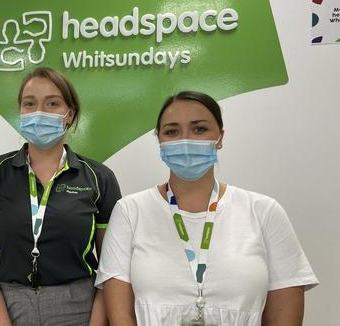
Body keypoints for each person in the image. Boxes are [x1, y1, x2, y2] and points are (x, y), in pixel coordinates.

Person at [96, 91, 318, 326]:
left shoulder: (264, 212)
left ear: (220, 137)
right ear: (159, 140)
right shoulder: (130, 211)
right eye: (172, 131)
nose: (185, 140)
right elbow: (120, 316)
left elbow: (285, 317)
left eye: (199, 129)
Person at [0, 67, 122, 325]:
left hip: (76, 306)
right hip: (1, 303)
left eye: (52, 103)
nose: (40, 112)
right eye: (30, 104)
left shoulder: (99, 177)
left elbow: (111, 267)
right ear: (21, 112)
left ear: (69, 114)